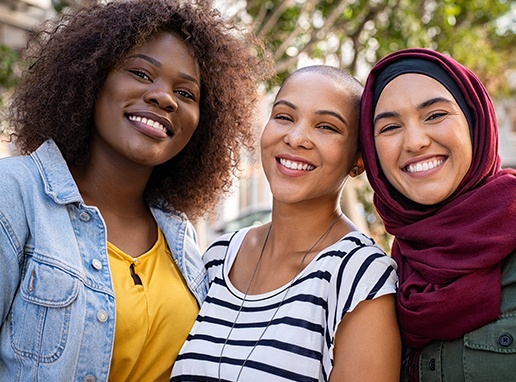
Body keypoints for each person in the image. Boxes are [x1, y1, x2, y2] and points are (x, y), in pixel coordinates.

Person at [0, 0, 272, 381]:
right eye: (142, 74)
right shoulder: (13, 195)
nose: (165, 97)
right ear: (93, 78)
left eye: (187, 93)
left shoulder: (181, 239)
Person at [171, 65, 401, 382]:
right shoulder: (219, 256)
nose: (295, 138)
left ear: (359, 160)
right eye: (284, 117)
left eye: (327, 127)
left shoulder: (360, 275)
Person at [359, 47, 516, 381]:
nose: (415, 141)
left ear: (475, 122)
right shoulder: (382, 277)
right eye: (389, 127)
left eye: (434, 115)